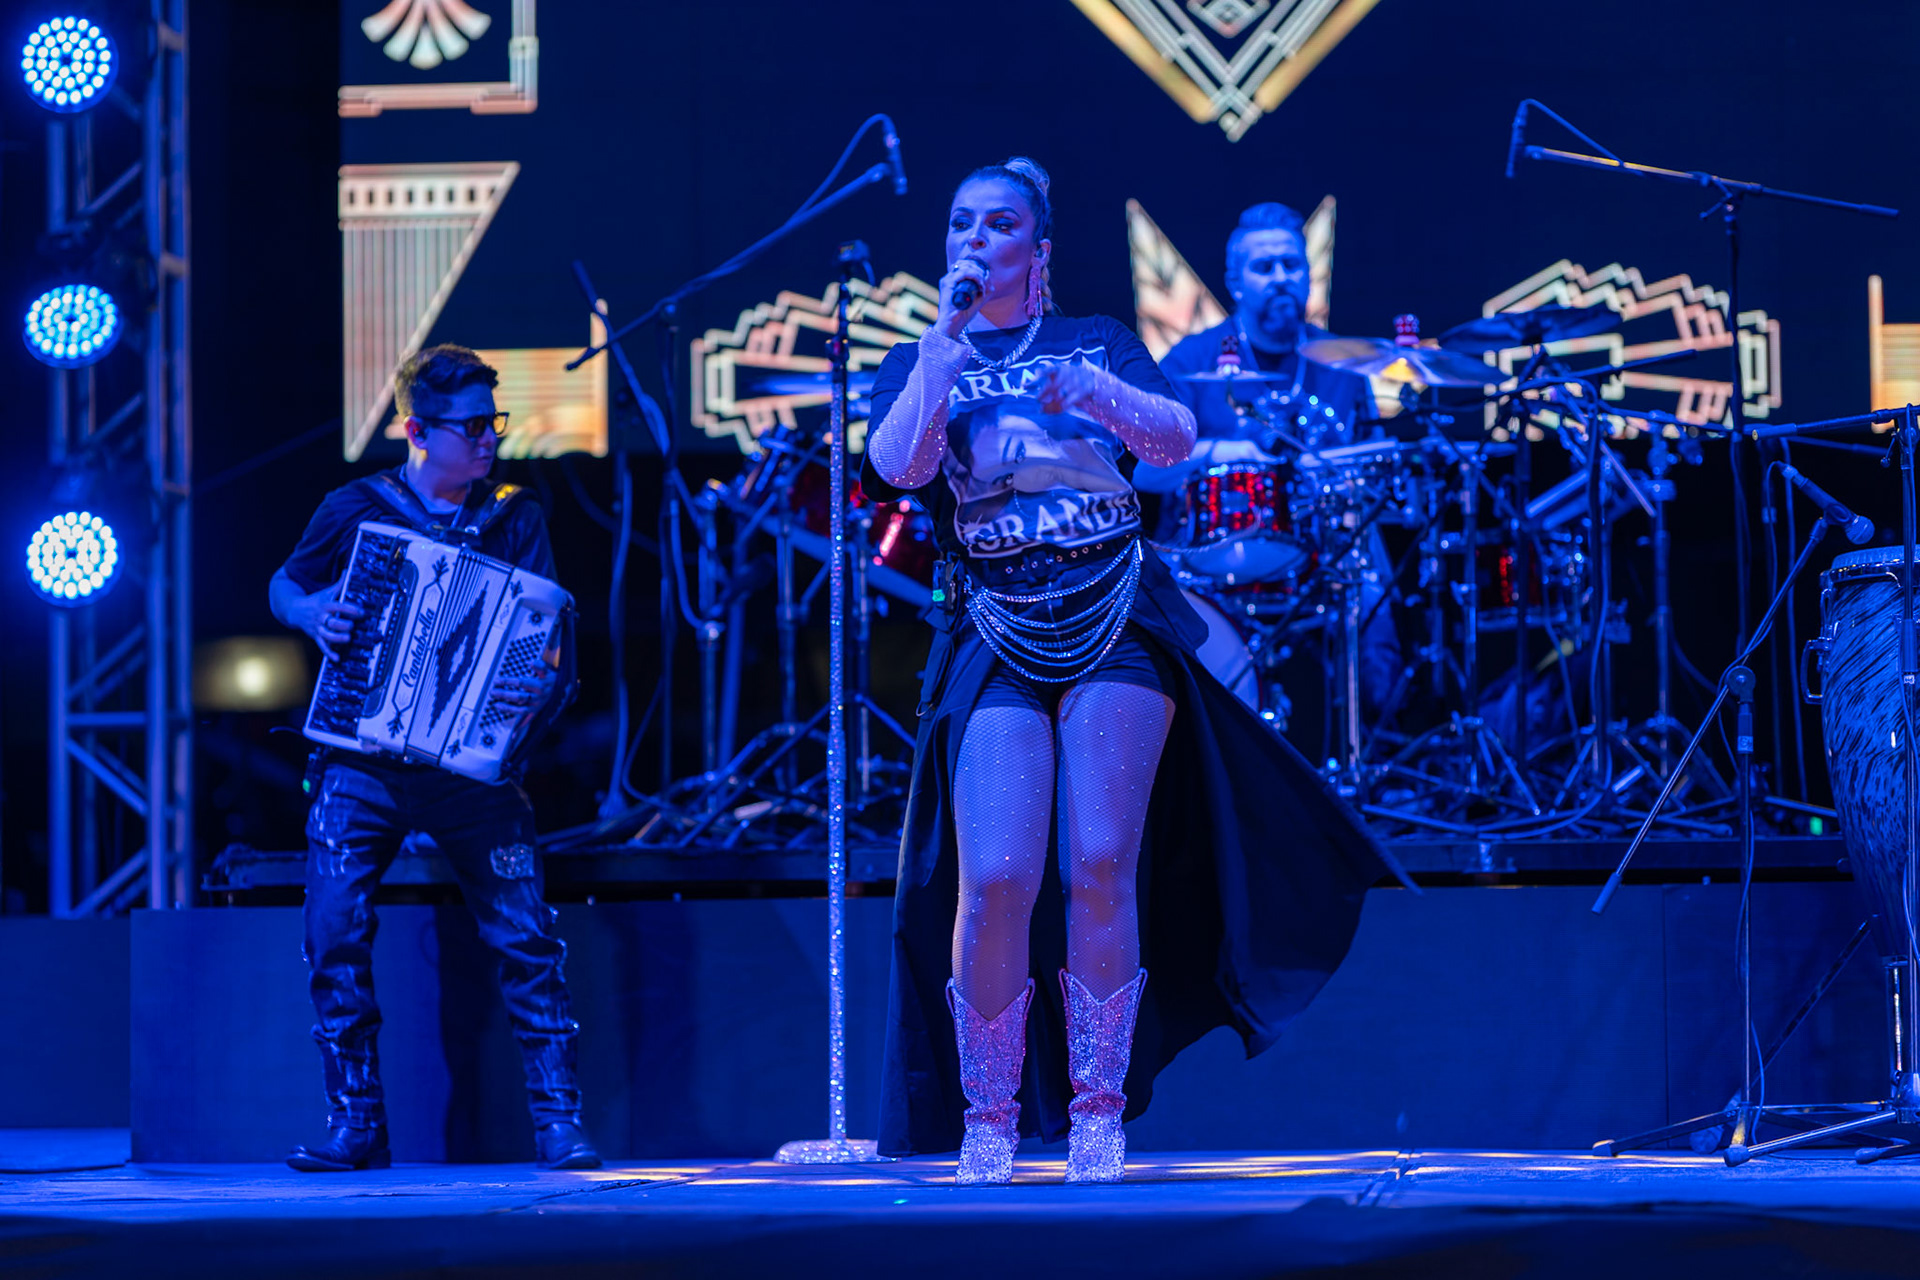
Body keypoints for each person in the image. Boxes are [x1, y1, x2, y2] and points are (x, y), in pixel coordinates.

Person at [863, 160, 1404, 1185]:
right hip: (995, 624)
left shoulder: (1097, 338)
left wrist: (1101, 392)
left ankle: (1098, 1112)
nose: (976, 239)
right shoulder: (922, 356)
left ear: (1039, 249)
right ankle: (988, 1116)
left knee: (1100, 860)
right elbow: (897, 470)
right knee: (998, 874)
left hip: (1114, 616)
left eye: (1000, 224)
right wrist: (940, 348)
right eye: (962, 223)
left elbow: (1177, 437)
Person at [269, 345, 599, 1173]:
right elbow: (285, 584)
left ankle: (559, 1125)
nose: (490, 439)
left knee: (527, 940)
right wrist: (310, 613)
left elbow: (546, 628)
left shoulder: (514, 516)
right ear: (417, 431)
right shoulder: (356, 507)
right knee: (333, 933)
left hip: (470, 772)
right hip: (361, 761)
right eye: (473, 426)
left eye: (495, 422)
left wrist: (530, 686)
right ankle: (356, 1126)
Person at [1135, 202, 1399, 735]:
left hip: (1326, 549)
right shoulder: (1191, 360)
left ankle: (1370, 752)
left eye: (1291, 265)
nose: (1280, 278)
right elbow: (1140, 472)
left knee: (1378, 607)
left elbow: (1372, 468)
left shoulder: (1345, 363)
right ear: (1235, 282)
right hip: (1211, 553)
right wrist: (1219, 453)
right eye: (1264, 267)